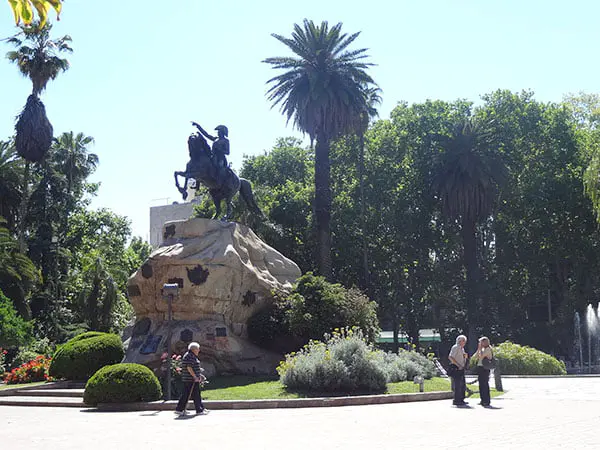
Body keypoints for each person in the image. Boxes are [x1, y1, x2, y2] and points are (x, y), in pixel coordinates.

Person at [175, 342, 208, 416]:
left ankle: (180, 409)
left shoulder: (191, 355)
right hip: (190, 379)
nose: (199, 350)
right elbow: (189, 367)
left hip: (190, 379)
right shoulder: (190, 356)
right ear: (194, 349)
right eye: (198, 349)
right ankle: (199, 410)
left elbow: (192, 366)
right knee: (195, 394)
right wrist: (195, 377)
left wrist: (199, 372)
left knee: (187, 394)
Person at [472, 336, 493, 407]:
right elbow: (475, 356)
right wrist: (479, 349)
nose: (480, 343)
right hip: (480, 367)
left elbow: (481, 356)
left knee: (484, 384)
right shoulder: (483, 349)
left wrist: (480, 349)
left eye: (481, 342)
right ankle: (482, 399)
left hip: (485, 368)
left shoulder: (488, 349)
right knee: (481, 384)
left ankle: (486, 400)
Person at [448, 334, 468, 406]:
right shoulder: (456, 347)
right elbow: (450, 357)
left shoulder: (462, 348)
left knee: (462, 385)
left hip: (461, 368)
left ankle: (461, 399)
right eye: (463, 341)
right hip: (456, 368)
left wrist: (465, 357)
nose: (464, 342)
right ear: (459, 341)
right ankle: (457, 400)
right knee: (457, 385)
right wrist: (458, 365)